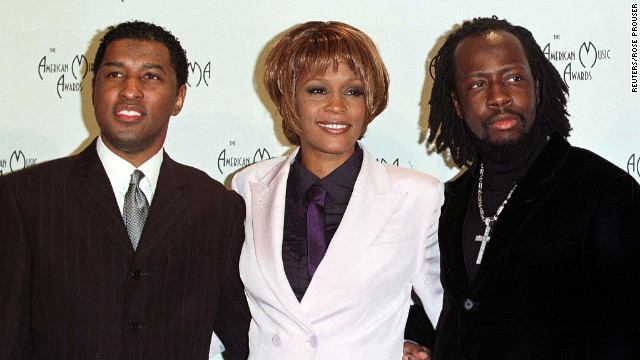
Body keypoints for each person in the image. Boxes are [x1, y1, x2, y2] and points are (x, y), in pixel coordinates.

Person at [0, 21, 249, 359]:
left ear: (179, 98)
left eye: (151, 76)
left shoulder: (218, 208)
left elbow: (243, 339)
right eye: (115, 74)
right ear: (92, 89)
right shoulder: (25, 197)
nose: (130, 90)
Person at [404, 16, 640, 359]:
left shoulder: (604, 192)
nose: (499, 97)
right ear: (457, 103)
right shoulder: (450, 202)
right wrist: (416, 340)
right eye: (477, 84)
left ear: (537, 88)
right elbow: (461, 308)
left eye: (513, 78)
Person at [231, 21, 444, 359]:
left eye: (353, 91)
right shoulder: (249, 185)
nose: (337, 106)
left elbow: (449, 314)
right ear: (288, 99)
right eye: (317, 89)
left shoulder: (417, 197)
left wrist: (415, 346)